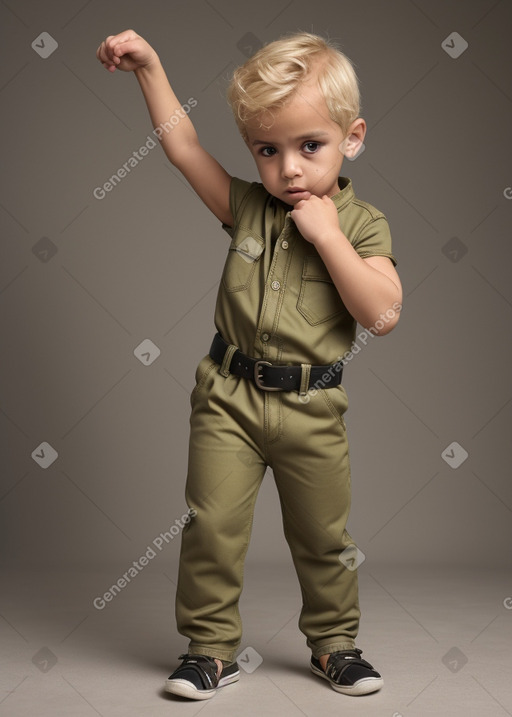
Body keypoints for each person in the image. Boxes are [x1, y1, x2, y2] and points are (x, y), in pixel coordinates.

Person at [96, 29, 402, 701]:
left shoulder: (363, 224)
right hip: (227, 397)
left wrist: (327, 239)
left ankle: (335, 645)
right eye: (268, 150)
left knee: (325, 534)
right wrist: (150, 65)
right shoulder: (248, 209)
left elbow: (382, 313)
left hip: (312, 408)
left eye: (309, 146)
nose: (288, 168)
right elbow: (182, 147)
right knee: (212, 526)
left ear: (352, 137)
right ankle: (209, 650)